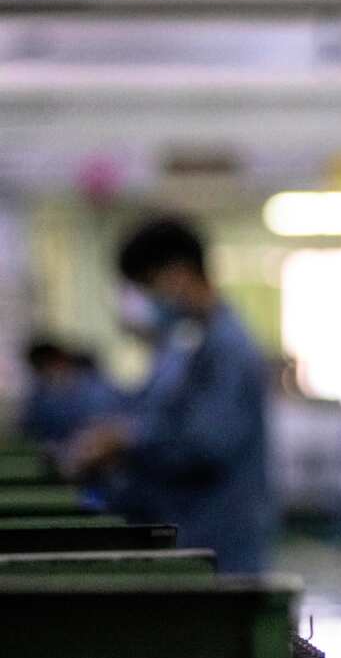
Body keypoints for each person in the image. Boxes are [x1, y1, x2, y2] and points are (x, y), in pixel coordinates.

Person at [67, 217, 272, 574]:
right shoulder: (189, 345)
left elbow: (208, 442)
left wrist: (127, 441)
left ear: (178, 274)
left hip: (220, 540)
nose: (148, 300)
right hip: (192, 532)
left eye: (147, 286)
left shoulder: (228, 348)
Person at [20, 339, 115, 445]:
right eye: (40, 368)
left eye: (49, 364)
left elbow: (103, 423)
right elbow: (29, 428)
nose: (48, 372)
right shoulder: (41, 395)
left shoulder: (94, 387)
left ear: (62, 361)